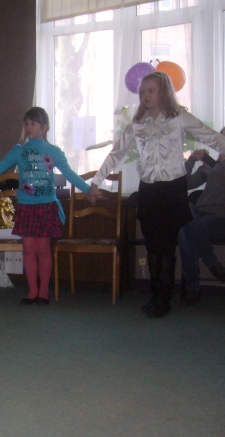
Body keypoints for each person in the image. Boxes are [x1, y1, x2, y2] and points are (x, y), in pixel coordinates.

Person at [87, 72, 225, 317]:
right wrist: (96, 181)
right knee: (153, 247)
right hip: (149, 190)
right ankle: (156, 296)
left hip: (173, 189)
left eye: (151, 90)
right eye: (142, 91)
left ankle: (164, 300)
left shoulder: (179, 116)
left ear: (163, 92)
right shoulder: (137, 124)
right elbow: (117, 153)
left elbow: (210, 136)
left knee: (167, 246)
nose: (146, 95)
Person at [0, 107, 90, 305]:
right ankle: (32, 292)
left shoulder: (53, 151)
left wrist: (88, 190)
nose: (28, 127)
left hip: (46, 207)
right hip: (26, 206)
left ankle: (43, 292)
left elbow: (70, 174)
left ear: (44, 127)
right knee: (29, 249)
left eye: (33, 123)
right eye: (26, 124)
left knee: (43, 250)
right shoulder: (19, 151)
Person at [177, 137, 225, 306]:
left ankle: (193, 289)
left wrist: (214, 162)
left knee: (186, 232)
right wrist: (191, 160)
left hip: (221, 218)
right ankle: (212, 263)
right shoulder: (209, 166)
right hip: (200, 214)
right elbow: (184, 184)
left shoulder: (215, 165)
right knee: (186, 210)